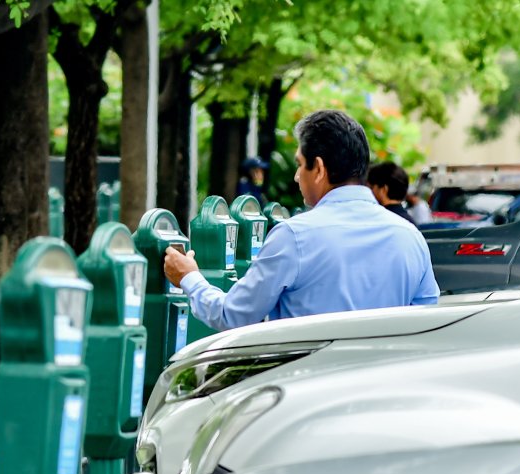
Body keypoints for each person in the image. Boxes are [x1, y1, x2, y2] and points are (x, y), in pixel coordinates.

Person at [164, 110, 439, 332]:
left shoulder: (294, 237)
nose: (297, 176)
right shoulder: (410, 237)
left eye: (299, 164)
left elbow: (233, 315)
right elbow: (428, 321)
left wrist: (189, 278)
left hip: (306, 394)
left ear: (318, 169)